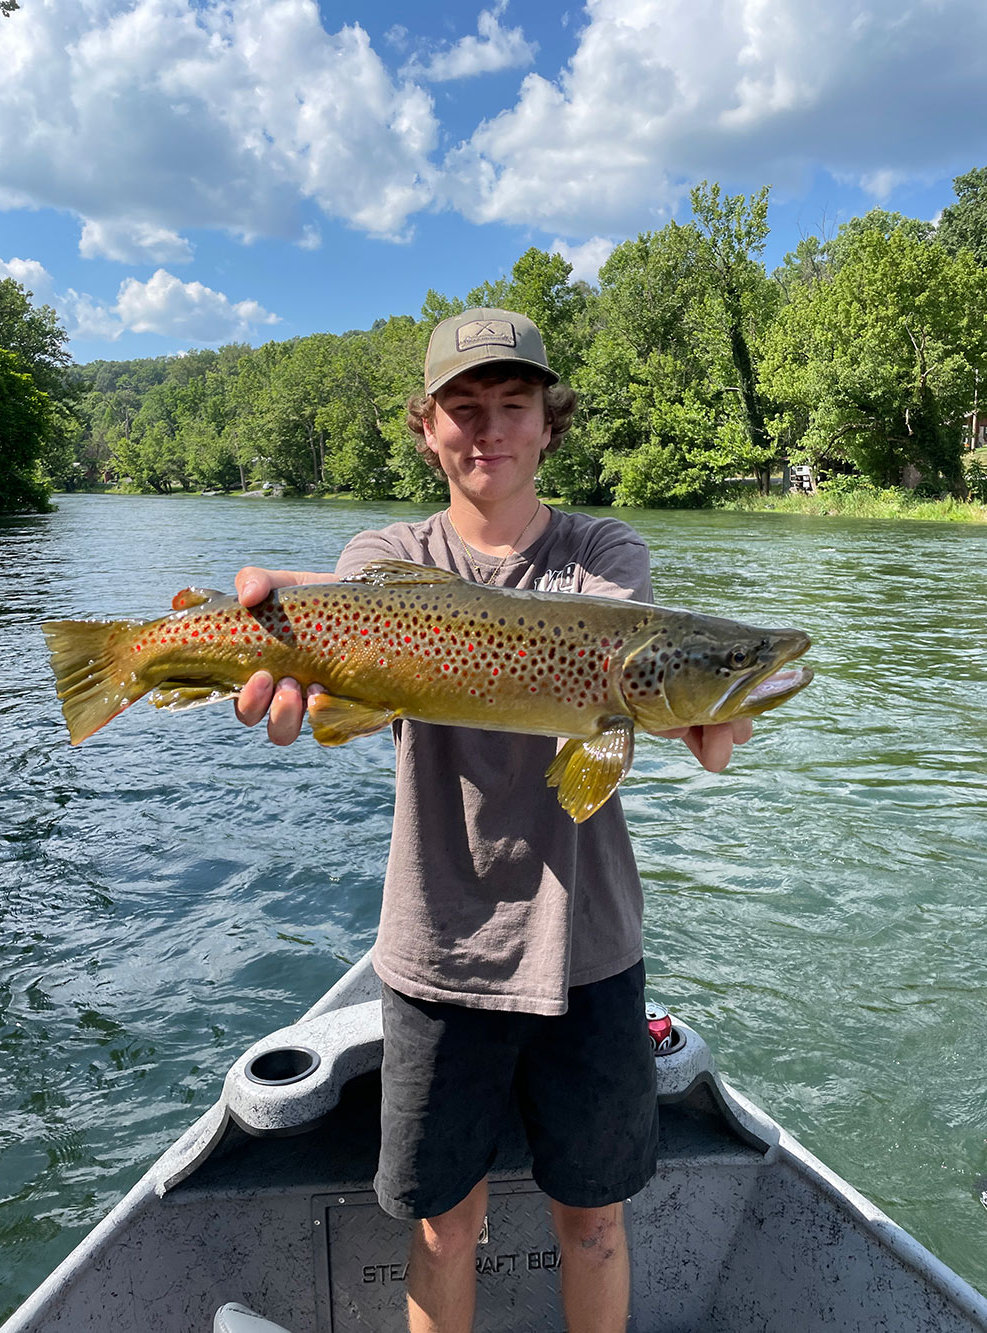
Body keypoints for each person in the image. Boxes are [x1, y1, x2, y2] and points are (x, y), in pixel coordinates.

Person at [233, 309, 752, 1333]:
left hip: (588, 948)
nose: (488, 432)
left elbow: (603, 651)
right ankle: (127, 658)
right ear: (425, 427)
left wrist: (707, 698)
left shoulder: (601, 553)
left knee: (595, 1222)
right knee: (441, 1225)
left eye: (512, 407)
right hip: (436, 946)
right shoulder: (383, 554)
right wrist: (293, 637)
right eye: (462, 411)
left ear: (549, 423)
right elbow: (335, 653)